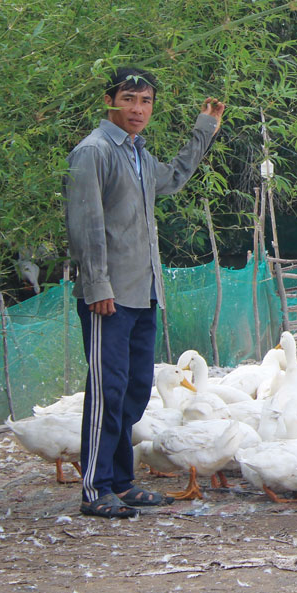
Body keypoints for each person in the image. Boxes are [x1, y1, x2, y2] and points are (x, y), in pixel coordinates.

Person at [65, 67, 225, 518]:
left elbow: (172, 178)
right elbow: (86, 225)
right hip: (109, 295)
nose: (138, 110)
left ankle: (120, 481)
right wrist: (97, 284)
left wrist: (204, 128)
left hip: (144, 291)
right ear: (109, 100)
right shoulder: (93, 152)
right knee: (107, 390)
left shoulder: (136, 154)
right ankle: (95, 488)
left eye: (146, 101)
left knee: (135, 390)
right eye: (129, 99)